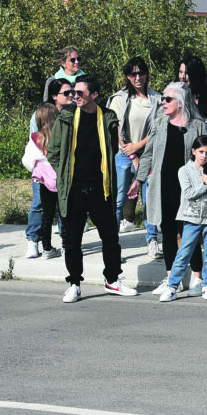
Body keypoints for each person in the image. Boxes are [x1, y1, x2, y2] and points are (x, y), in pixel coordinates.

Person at [47, 75, 138, 303]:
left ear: (94, 95)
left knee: (110, 237)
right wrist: (64, 175)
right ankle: (75, 284)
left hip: (101, 187)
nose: (73, 96)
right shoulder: (66, 116)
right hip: (73, 189)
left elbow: (116, 146)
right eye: (71, 93)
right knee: (73, 241)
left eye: (79, 93)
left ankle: (113, 280)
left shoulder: (107, 117)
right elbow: (53, 152)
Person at [132, 83, 207, 295]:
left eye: (168, 99)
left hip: (189, 188)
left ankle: (198, 278)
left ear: (181, 102)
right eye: (163, 99)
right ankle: (170, 279)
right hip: (163, 186)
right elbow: (148, 154)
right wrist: (138, 180)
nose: (163, 102)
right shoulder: (159, 123)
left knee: (190, 232)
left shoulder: (197, 125)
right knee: (167, 231)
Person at [107, 56, 162, 258]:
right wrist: (133, 155)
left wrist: (140, 148)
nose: (138, 77)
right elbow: (117, 129)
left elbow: (158, 129)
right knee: (119, 199)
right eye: (133, 74)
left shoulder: (156, 98)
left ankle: (152, 239)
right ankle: (112, 243)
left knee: (150, 199)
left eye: (141, 73)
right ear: (128, 76)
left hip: (148, 154)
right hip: (124, 155)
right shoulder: (120, 99)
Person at [159, 135, 207, 303]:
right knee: (184, 253)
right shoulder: (184, 170)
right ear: (193, 151)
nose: (204, 156)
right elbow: (188, 194)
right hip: (191, 218)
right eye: (201, 151)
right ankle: (172, 287)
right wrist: (205, 184)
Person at [24, 78, 74, 258]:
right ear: (54, 96)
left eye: (72, 92)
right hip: (49, 174)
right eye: (67, 92)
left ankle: (58, 244)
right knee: (41, 207)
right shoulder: (42, 112)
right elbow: (34, 139)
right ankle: (33, 240)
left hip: (50, 174)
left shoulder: (72, 112)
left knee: (58, 210)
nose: (71, 95)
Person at [22, 103, 62, 260]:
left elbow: (27, 160)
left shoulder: (35, 138)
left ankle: (46, 248)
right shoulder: (62, 135)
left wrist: (36, 168)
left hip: (45, 181)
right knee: (64, 214)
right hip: (62, 179)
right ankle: (67, 245)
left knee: (46, 214)